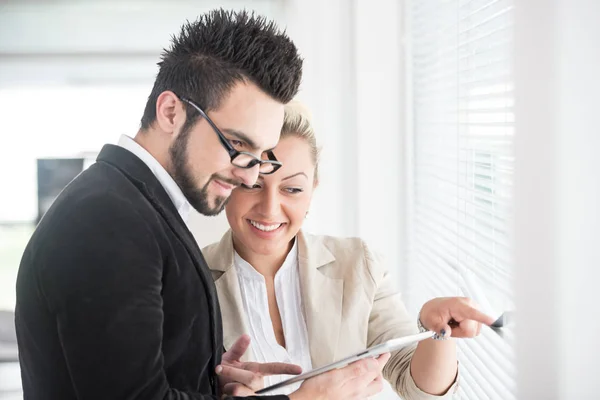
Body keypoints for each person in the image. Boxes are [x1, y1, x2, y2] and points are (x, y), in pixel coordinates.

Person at [15, 10, 388, 400]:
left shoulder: (135, 205)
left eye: (260, 155)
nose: (248, 176)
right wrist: (305, 398)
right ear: (171, 112)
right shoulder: (107, 222)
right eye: (237, 146)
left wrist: (207, 381)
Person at [203, 102, 497, 398]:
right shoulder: (189, 278)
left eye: (292, 189)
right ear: (230, 181)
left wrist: (437, 332)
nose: (269, 209)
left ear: (312, 190)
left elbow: (418, 388)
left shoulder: (359, 264)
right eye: (253, 185)